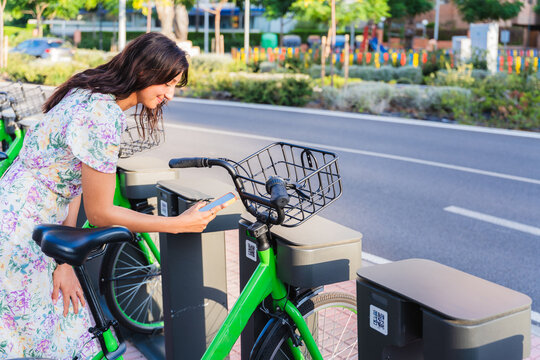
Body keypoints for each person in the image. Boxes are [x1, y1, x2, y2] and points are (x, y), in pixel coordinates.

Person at [0, 32, 222, 359]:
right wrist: (176, 224)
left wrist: (65, 261)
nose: (170, 95)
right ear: (145, 73)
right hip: (22, 230)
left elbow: (73, 185)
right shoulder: (102, 115)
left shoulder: (87, 89)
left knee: (62, 327)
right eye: (167, 84)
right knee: (40, 338)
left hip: (23, 215)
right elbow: (101, 212)